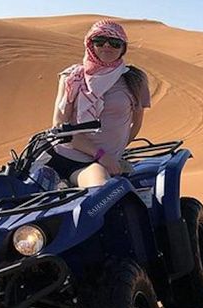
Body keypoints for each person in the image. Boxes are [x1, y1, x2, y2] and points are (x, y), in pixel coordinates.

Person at [46, 19, 152, 188]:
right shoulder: (72, 78)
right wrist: (101, 154)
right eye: (100, 41)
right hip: (68, 157)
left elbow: (136, 123)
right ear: (90, 44)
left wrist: (114, 153)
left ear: (123, 48)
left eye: (115, 43)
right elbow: (60, 129)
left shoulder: (134, 79)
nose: (107, 46)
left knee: (105, 191)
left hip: (100, 163)